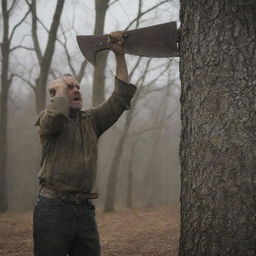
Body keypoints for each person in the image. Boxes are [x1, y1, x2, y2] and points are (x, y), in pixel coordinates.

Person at [33, 31, 136, 256]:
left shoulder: (92, 120)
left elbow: (121, 98)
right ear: (57, 93)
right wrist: (59, 87)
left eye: (78, 86)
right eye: (69, 87)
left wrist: (119, 55)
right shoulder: (47, 120)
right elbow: (58, 114)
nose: (76, 89)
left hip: (85, 211)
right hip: (53, 209)